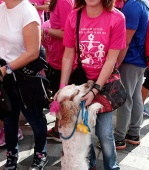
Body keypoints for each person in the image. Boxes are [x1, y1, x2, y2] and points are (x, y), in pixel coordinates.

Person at [54, 0, 126, 169]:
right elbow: (68, 55)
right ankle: (89, 163)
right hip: (81, 83)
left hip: (105, 83)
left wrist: (95, 90)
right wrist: (63, 88)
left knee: (104, 132)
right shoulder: (74, 16)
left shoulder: (117, 18)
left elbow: (111, 59)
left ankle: (111, 165)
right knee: (81, 129)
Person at [0, 0, 48, 169]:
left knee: (35, 118)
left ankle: (40, 154)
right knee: (8, 119)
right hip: (5, 77)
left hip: (26, 77)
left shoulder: (27, 11)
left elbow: (33, 52)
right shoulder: (1, 10)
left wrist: (7, 69)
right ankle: (12, 155)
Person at [114, 0, 149, 150]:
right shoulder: (144, 2)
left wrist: (116, 64)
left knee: (126, 98)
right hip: (140, 59)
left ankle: (119, 138)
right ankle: (134, 133)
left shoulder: (133, 5)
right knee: (135, 96)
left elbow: (125, 41)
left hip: (130, 59)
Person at [41, 0, 74, 142]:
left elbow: (68, 33)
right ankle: (57, 130)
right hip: (57, 58)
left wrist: (44, 30)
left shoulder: (63, 1)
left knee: (62, 99)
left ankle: (61, 131)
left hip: (62, 60)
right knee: (60, 99)